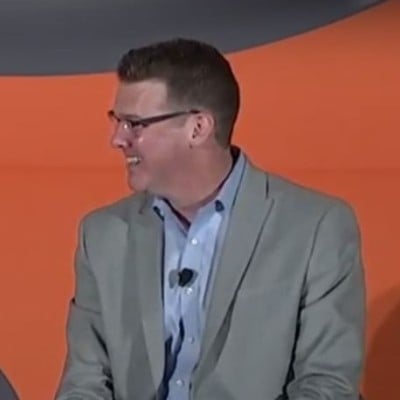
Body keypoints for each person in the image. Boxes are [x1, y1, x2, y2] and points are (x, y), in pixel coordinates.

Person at [55, 38, 366, 400]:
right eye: (117, 121)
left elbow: (326, 386)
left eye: (134, 124)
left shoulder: (315, 229)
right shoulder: (103, 234)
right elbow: (85, 382)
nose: (117, 139)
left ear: (198, 128)